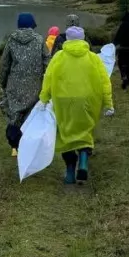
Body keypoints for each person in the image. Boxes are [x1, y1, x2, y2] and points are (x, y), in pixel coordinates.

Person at [39, 26, 115, 185]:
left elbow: (48, 78)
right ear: (83, 38)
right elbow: (104, 82)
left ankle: (69, 172)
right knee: (85, 131)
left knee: (65, 134)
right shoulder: (93, 58)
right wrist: (108, 104)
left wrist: (44, 99)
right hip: (88, 101)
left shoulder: (58, 57)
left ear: (67, 39)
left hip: (63, 101)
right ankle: (84, 161)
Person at [0, 13, 50, 157]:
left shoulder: (11, 40)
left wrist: (2, 82)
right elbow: (47, 62)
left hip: (14, 85)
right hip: (35, 85)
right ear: (32, 24)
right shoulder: (39, 40)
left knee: (15, 115)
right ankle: (29, 146)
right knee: (31, 116)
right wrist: (48, 82)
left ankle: (15, 146)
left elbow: (4, 64)